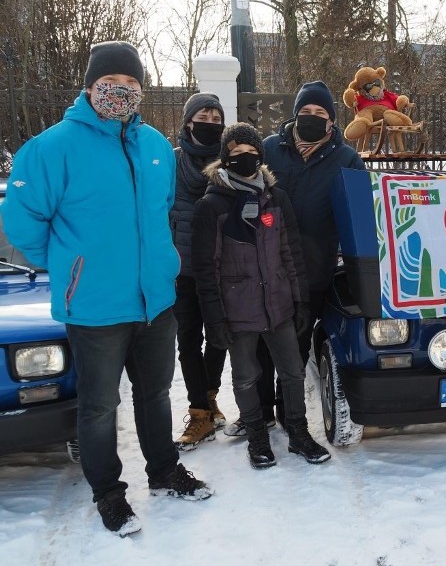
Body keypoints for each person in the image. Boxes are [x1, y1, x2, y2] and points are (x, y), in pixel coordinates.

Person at [1, 41, 212, 537]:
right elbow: (23, 220)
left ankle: (162, 470)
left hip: (155, 300)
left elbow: (159, 213)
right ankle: (109, 494)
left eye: (132, 86)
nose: (122, 93)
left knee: (156, 394)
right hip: (95, 306)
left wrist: (164, 263)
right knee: (99, 407)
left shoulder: (157, 147)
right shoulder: (53, 147)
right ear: (91, 87)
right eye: (111, 85)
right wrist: (70, 265)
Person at [192, 122, 331, 467]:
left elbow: (291, 253)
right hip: (238, 309)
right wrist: (214, 317)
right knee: (245, 376)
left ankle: (298, 432)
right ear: (225, 158)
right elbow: (206, 269)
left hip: (279, 304)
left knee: (293, 372)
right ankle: (256, 434)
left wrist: (299, 300)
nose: (245, 158)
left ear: (261, 156)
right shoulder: (212, 205)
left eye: (251, 152)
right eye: (236, 153)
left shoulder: (275, 197)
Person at [259, 80, 366, 425]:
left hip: (314, 265)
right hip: (267, 267)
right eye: (306, 111)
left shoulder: (346, 157)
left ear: (332, 121)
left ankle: (287, 408)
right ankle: (260, 413)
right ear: (294, 114)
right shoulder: (270, 149)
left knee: (297, 343)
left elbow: (360, 212)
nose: (312, 117)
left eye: (320, 112)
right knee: (262, 343)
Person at [171, 92, 229, 451]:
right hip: (181, 269)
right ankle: (199, 412)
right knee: (188, 342)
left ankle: (210, 396)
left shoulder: (229, 162)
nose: (209, 123)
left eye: (215, 117)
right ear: (188, 121)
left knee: (219, 338)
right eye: (202, 116)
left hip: (221, 268)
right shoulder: (171, 162)